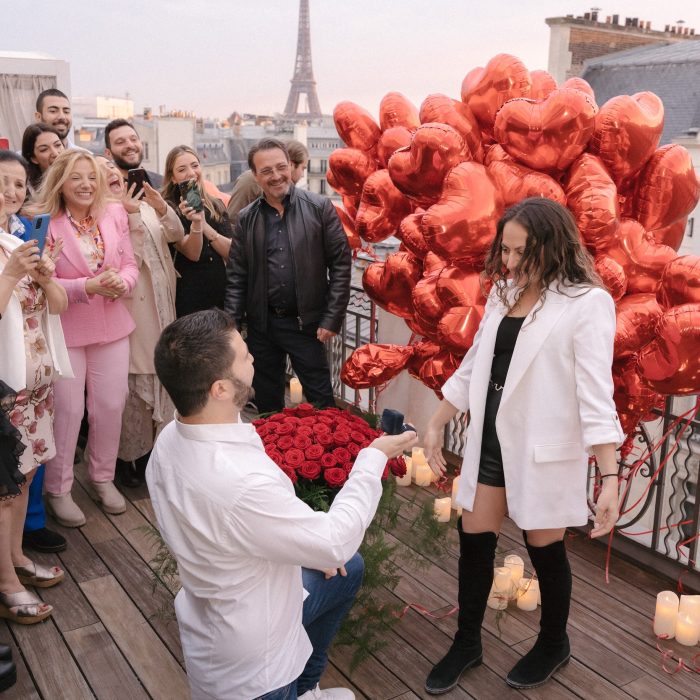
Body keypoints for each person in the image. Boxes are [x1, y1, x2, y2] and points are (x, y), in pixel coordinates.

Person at [147, 309, 417, 699]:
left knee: (346, 570)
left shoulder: (173, 436)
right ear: (219, 389)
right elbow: (334, 541)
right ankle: (295, 689)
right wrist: (373, 457)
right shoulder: (238, 483)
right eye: (243, 355)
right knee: (342, 558)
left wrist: (309, 552)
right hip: (256, 661)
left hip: (222, 611)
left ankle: (306, 688)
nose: (254, 356)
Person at [422, 197, 625, 694]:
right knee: (475, 541)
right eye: (505, 251)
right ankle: (466, 641)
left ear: (551, 248)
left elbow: (597, 395)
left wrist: (610, 478)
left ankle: (553, 643)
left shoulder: (587, 303)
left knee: (544, 549)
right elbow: (476, 364)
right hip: (489, 440)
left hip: (543, 451)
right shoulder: (502, 293)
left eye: (519, 253)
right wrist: (436, 422)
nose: (508, 263)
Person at [37, 151, 138, 526]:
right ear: (60, 181)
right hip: (66, 329)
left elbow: (129, 264)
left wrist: (121, 282)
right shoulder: (44, 222)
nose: (85, 185)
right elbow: (39, 281)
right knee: (67, 411)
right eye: (76, 177)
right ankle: (58, 489)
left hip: (112, 325)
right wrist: (85, 286)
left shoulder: (112, 214)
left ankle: (102, 477)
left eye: (91, 177)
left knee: (111, 405)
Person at [225, 138, 350, 414]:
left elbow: (341, 264)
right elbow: (237, 275)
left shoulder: (319, 208)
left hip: (306, 324)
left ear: (291, 167)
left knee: (320, 399)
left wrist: (332, 318)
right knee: (267, 401)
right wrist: (232, 327)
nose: (276, 175)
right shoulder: (247, 218)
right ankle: (270, 454)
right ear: (255, 177)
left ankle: (326, 453)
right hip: (262, 325)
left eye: (281, 167)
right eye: (266, 171)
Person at [97, 155, 197, 488]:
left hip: (163, 305)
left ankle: (157, 454)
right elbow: (127, 260)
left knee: (161, 379)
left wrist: (160, 207)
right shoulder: (101, 217)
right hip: (132, 310)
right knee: (134, 389)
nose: (112, 174)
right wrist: (129, 215)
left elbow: (176, 234)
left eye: (114, 170)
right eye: (103, 171)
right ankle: (129, 459)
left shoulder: (143, 205)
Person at [0, 192, 72, 624]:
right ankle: (6, 580)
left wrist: (46, 277)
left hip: (37, 385)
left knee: (25, 478)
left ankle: (16, 557)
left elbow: (59, 306)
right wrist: (11, 274)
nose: (10, 192)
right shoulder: (10, 254)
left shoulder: (13, 241)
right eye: (2, 181)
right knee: (4, 491)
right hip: (6, 389)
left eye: (17, 183)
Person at [162, 145, 233, 317]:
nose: (191, 172)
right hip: (188, 295)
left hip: (219, 293)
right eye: (182, 169)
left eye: (195, 165)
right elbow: (192, 253)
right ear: (172, 178)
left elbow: (232, 253)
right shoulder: (167, 209)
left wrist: (205, 225)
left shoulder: (216, 204)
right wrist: (195, 224)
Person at [227, 140, 309, 227]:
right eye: (303, 168)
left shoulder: (292, 193)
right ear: (291, 165)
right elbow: (232, 222)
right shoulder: (249, 181)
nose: (302, 175)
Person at [104, 119, 163, 190]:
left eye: (134, 139)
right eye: (120, 142)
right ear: (108, 153)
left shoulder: (163, 183)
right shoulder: (104, 189)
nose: (130, 145)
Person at [21, 124, 65, 192]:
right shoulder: (27, 190)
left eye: (58, 145)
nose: (55, 153)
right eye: (44, 149)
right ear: (33, 158)